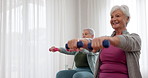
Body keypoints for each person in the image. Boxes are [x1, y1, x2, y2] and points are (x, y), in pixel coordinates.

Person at [67, 5, 142, 78]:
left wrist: (110, 39)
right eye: (112, 17)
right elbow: (92, 42)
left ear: (127, 18)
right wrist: (81, 41)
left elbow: (125, 41)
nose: (113, 19)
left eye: (117, 16)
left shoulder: (134, 38)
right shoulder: (105, 40)